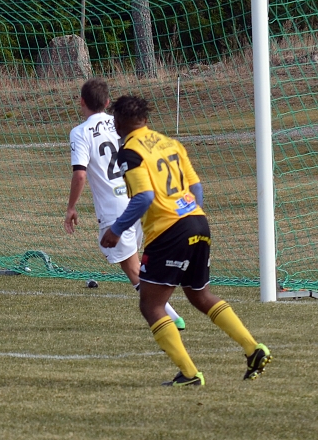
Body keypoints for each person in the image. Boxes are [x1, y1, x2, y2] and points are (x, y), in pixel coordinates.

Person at [100, 95, 271, 387]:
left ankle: (190, 374)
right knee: (199, 295)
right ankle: (254, 349)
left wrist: (116, 230)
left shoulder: (130, 151)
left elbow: (144, 197)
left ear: (119, 122)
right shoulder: (170, 143)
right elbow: (196, 186)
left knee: (151, 306)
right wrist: (190, 213)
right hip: (197, 220)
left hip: (169, 231)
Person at [64, 78, 185, 330]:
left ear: (81, 102)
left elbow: (80, 173)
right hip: (140, 198)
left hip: (115, 209)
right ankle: (169, 308)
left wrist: (71, 207)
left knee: (133, 271)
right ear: (108, 102)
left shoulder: (80, 132)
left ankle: (172, 317)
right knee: (141, 263)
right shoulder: (121, 121)